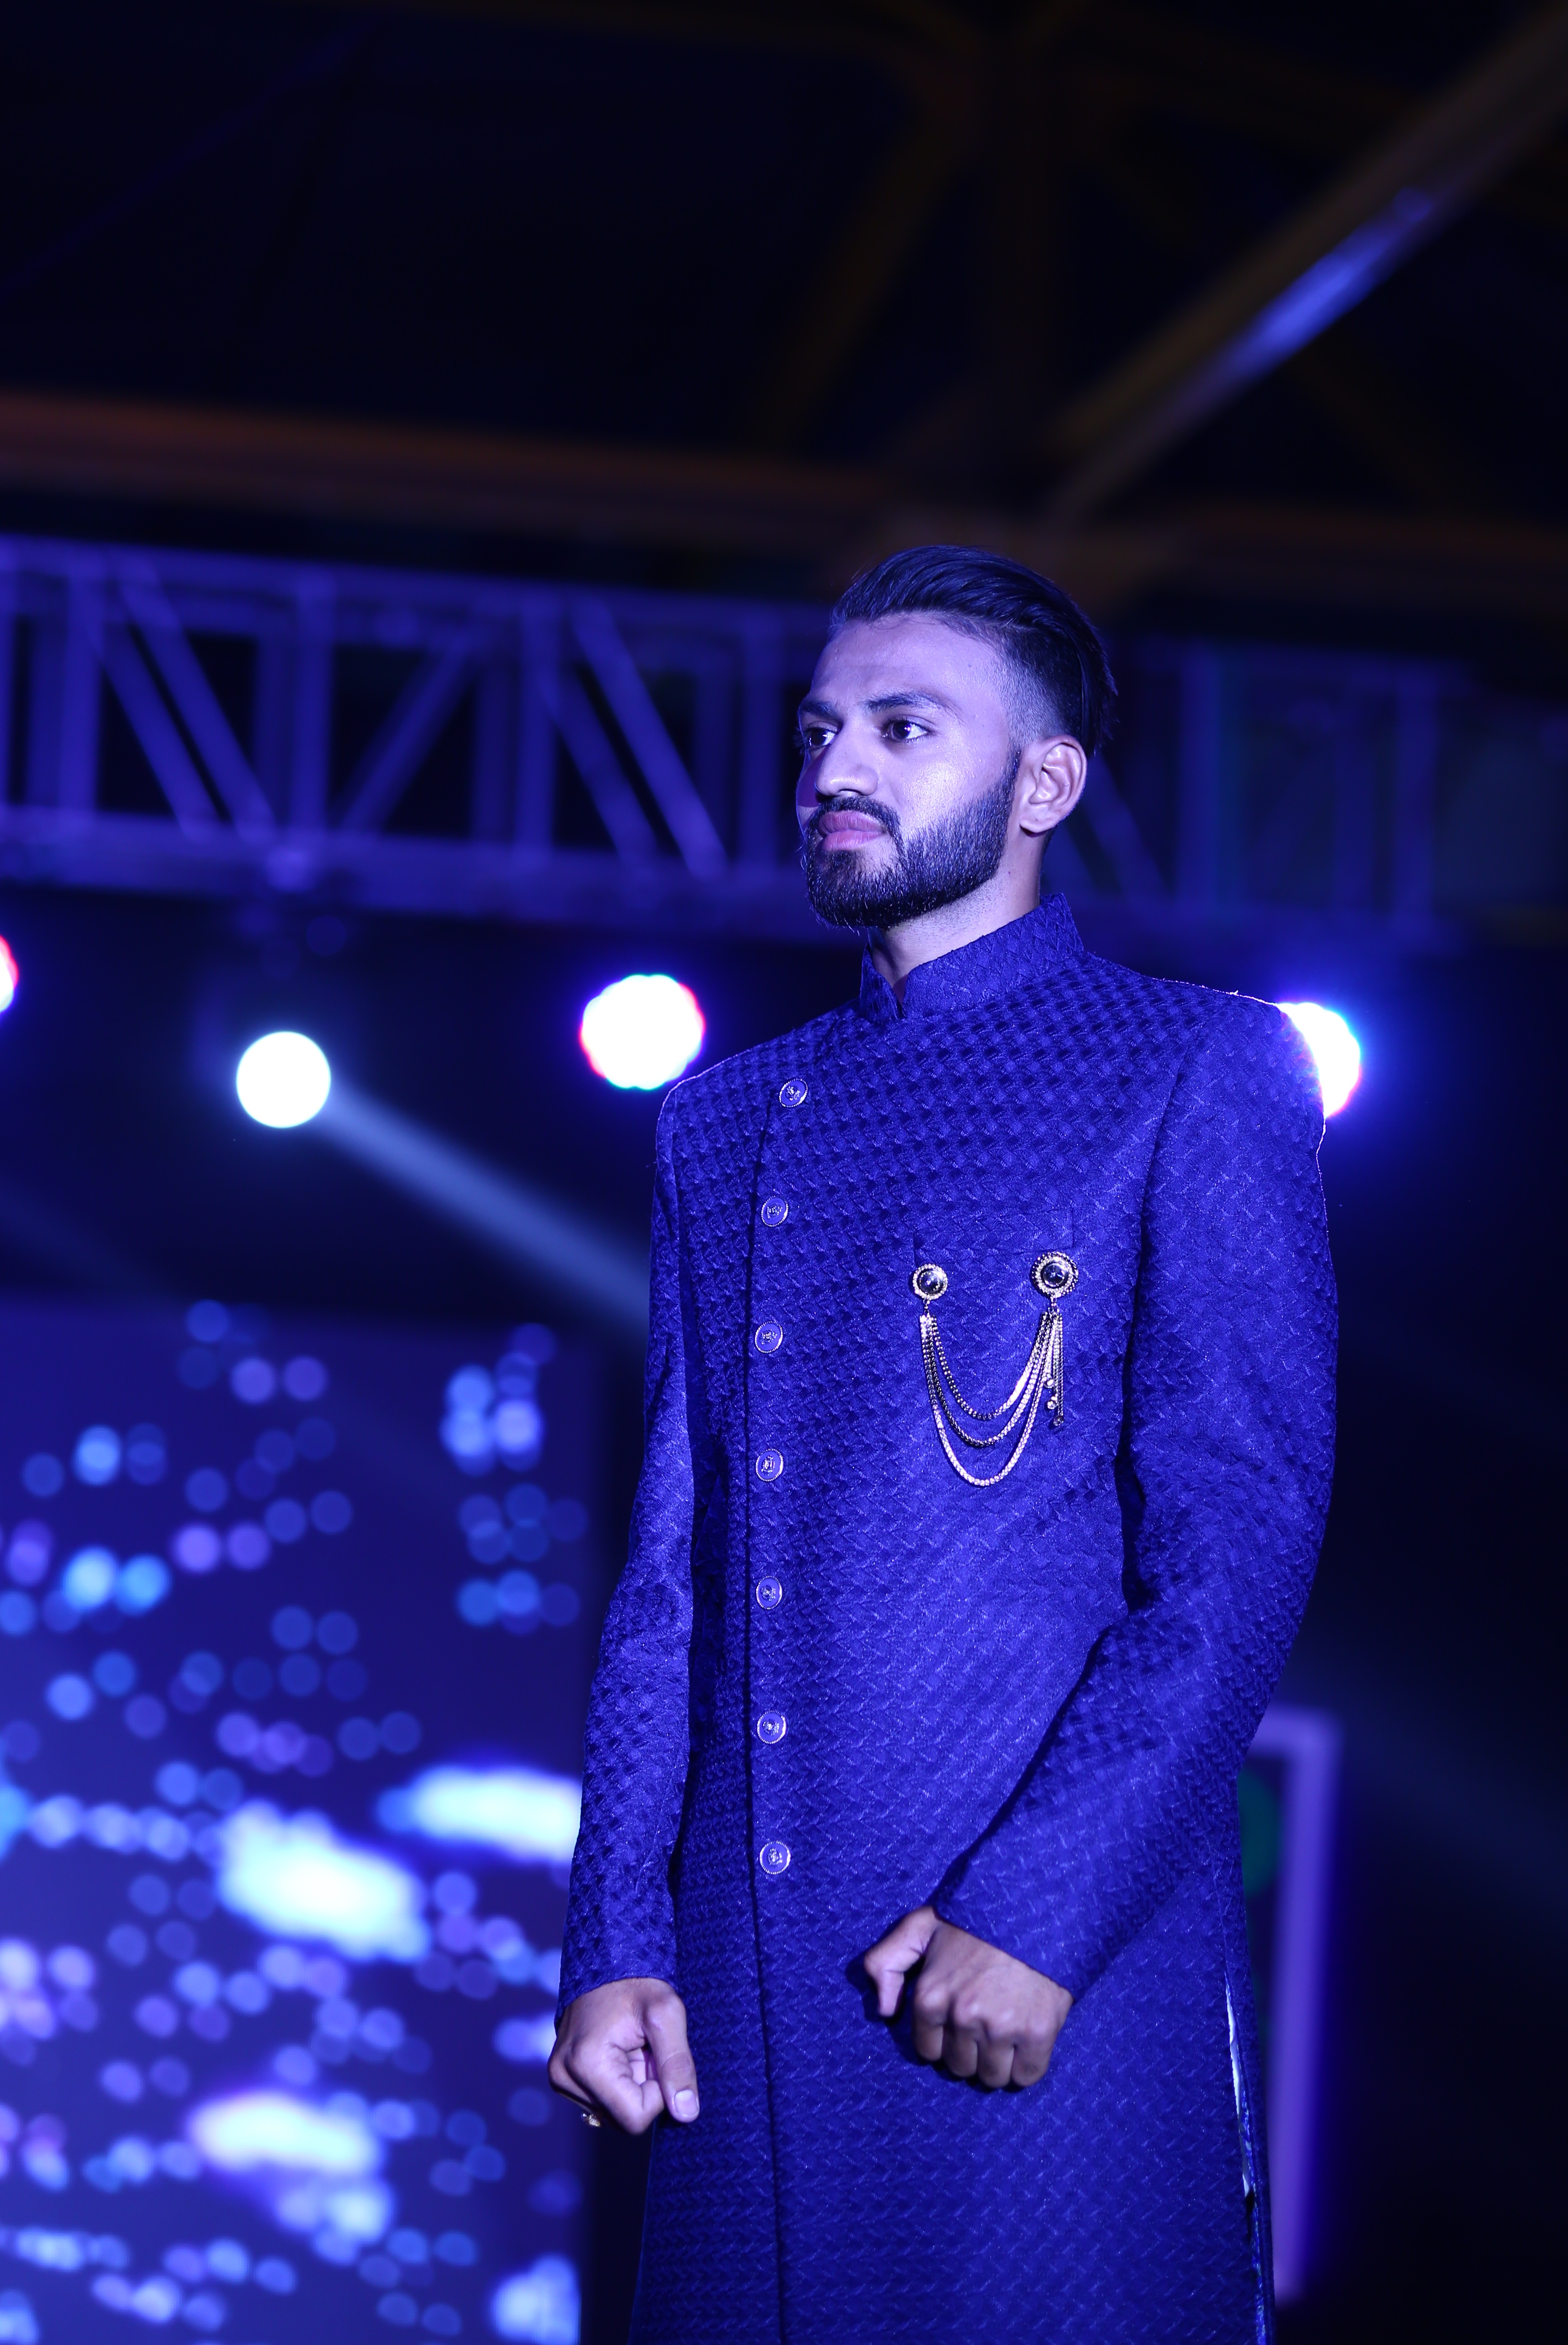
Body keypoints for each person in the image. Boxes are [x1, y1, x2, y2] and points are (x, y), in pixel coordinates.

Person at [550, 545, 1336, 2344]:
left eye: (904, 729)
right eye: (821, 730)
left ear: (1044, 782)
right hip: (743, 1998)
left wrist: (1040, 1908)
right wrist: (617, 1939)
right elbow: (668, 1582)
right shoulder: (721, 1118)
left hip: (1037, 1964)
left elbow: (1237, 1541)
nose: (837, 767)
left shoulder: (1196, 1066)